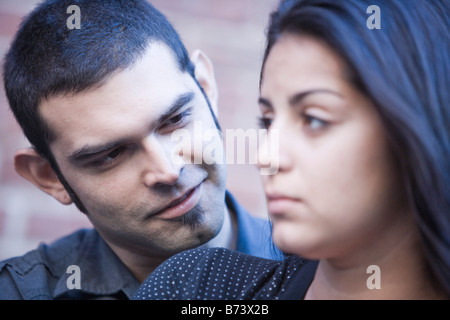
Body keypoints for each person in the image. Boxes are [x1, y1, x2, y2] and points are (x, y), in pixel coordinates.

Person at [133, 0, 450, 300]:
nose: (265, 158)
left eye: (313, 119)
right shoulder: (198, 289)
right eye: (268, 121)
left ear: (418, 129)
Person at [0, 0, 282, 300]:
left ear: (205, 87)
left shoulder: (323, 271)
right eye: (110, 155)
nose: (169, 171)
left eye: (175, 120)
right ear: (50, 176)